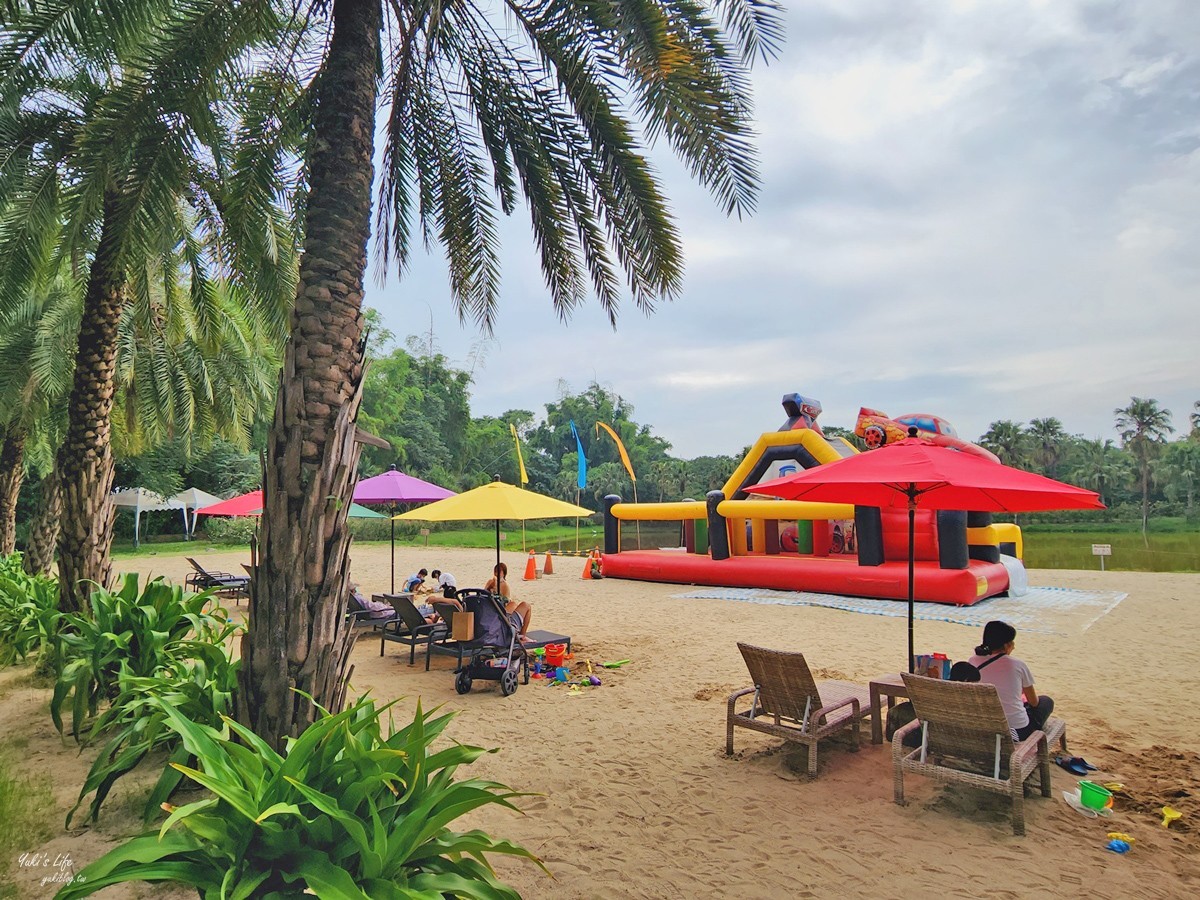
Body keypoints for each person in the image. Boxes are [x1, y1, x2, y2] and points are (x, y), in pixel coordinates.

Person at [968, 620, 1054, 741]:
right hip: (1016, 730)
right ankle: (1034, 731)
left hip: (984, 723)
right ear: (1007, 645)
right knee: (1046, 701)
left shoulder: (972, 661)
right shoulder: (1017, 665)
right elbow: (1034, 702)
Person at [484, 562, 531, 638]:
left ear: (503, 573)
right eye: (495, 571)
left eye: (499, 571)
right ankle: (523, 636)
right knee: (522, 605)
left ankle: (521, 635)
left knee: (513, 604)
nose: (496, 573)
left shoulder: (502, 585)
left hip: (495, 618)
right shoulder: (494, 583)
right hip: (501, 619)